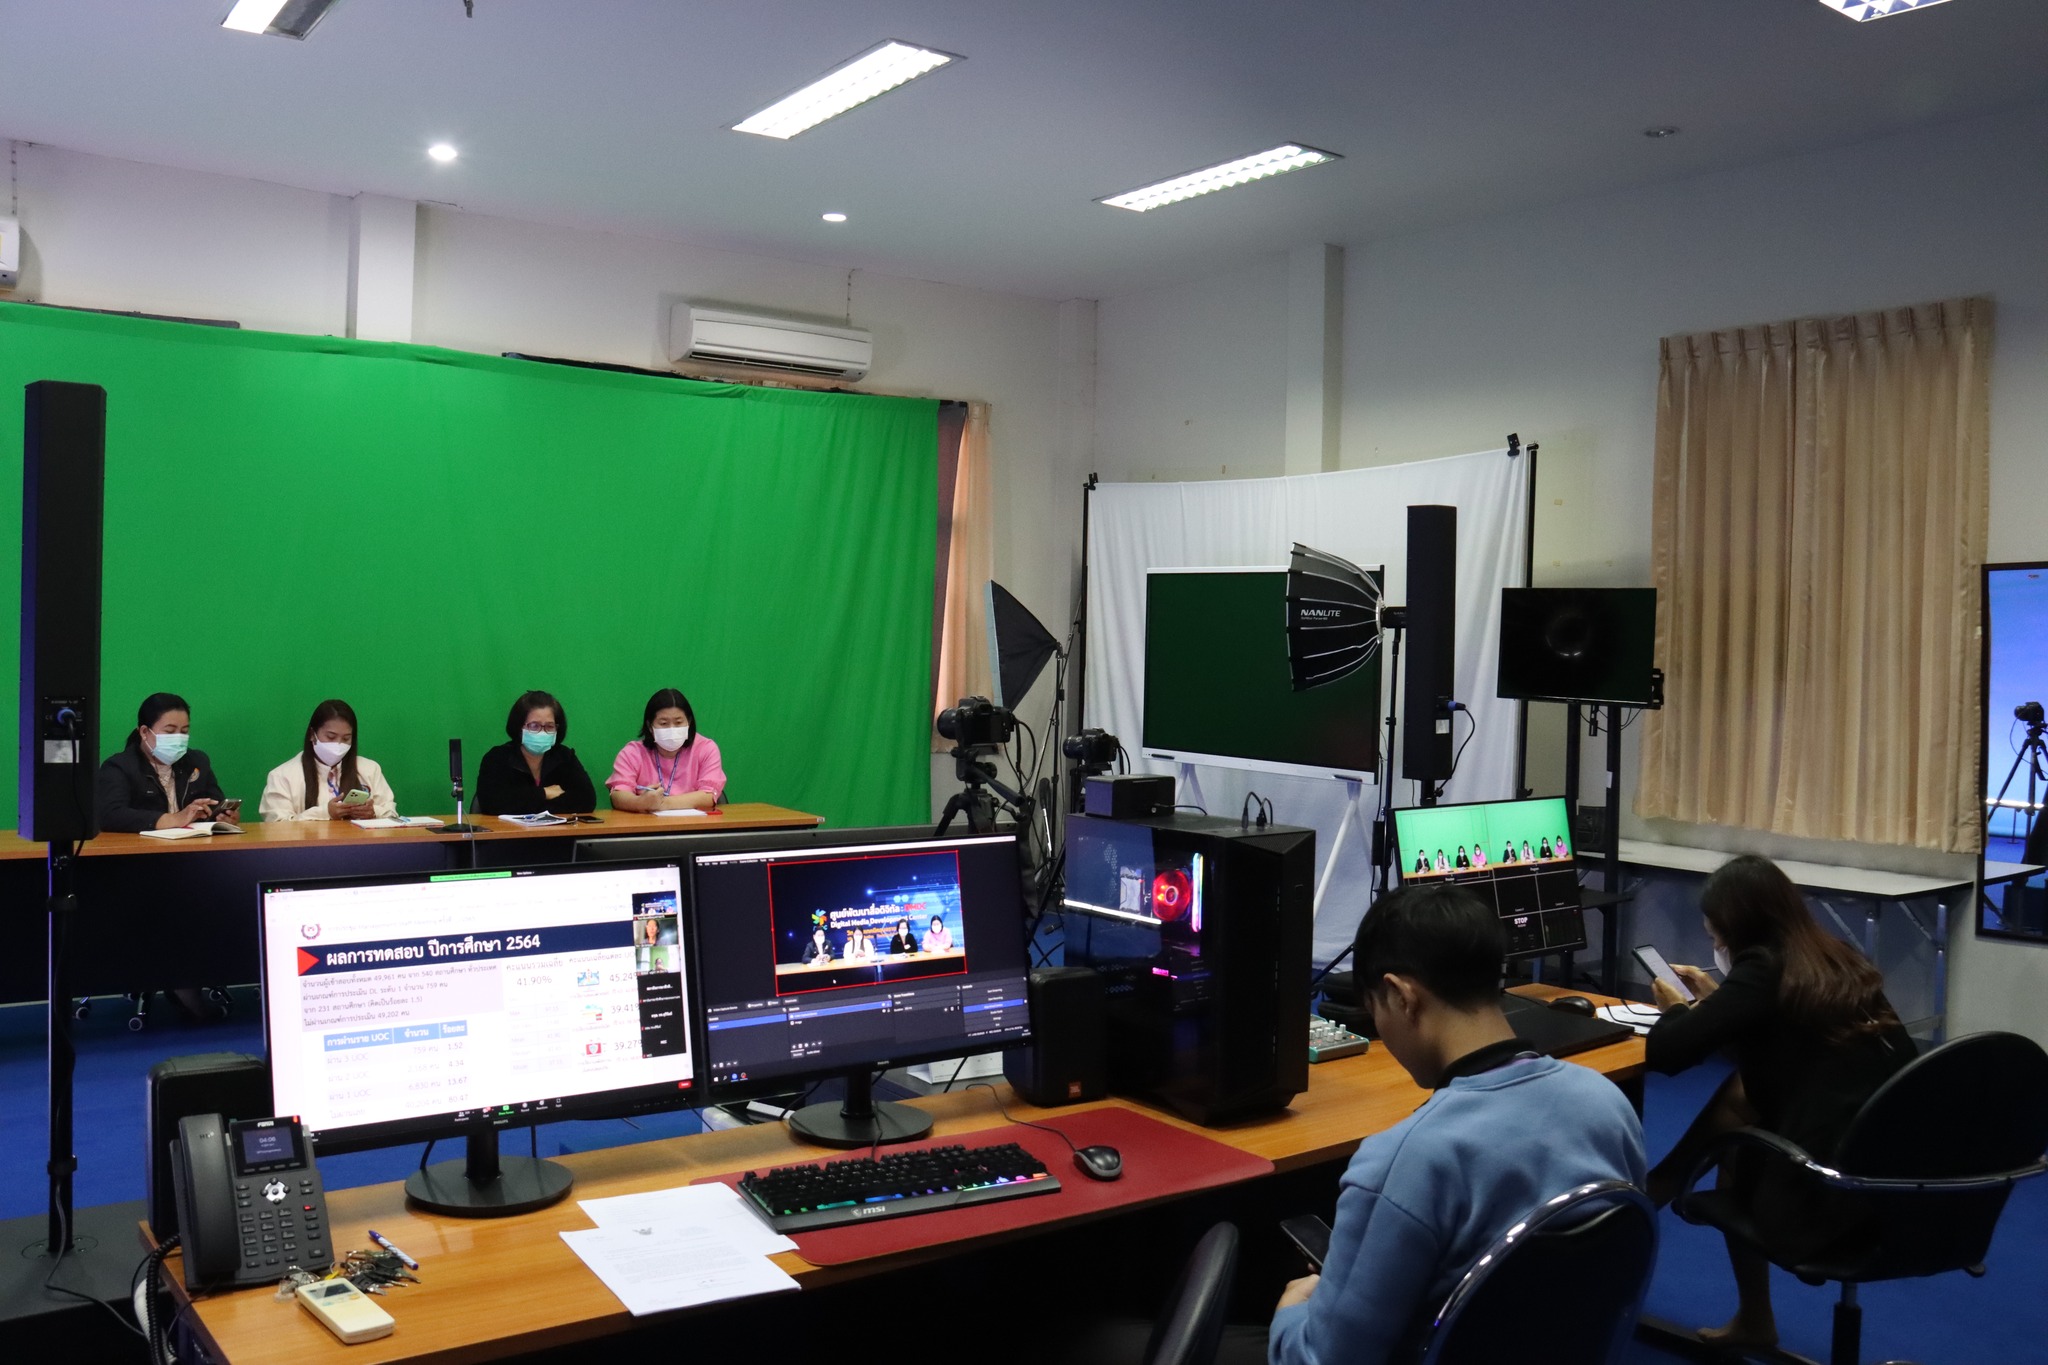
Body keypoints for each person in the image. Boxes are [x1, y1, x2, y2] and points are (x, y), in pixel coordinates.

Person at [1268, 883, 1647, 1365]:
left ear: (1400, 996)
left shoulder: (1400, 1162)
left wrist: (1290, 1314)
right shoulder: (1609, 1104)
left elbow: (1322, 1359)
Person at [1644, 855, 1914, 1351]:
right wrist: (1722, 1000)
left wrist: (1677, 1009)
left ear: (1736, 928)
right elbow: (1780, 1049)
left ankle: (1655, 1195)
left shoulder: (1763, 967)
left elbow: (1667, 1053)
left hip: (1830, 1191)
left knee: (1738, 1139)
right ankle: (1662, 1190)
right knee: (1743, 1093)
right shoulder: (1833, 957)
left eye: (1714, 934)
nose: (1714, 944)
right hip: (1902, 1173)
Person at [96, 692, 234, 832]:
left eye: (184, 732)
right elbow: (109, 815)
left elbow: (215, 805)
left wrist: (223, 817)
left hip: (193, 842)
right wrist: (174, 819)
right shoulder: (119, 767)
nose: (178, 738)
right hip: (143, 844)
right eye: (169, 731)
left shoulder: (197, 762)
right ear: (144, 732)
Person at [258, 699, 398, 822]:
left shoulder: (370, 770)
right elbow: (277, 826)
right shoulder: (282, 776)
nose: (338, 744)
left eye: (346, 739)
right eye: (331, 737)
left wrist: (373, 812)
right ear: (312, 734)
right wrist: (326, 813)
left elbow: (392, 815)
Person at [606, 687, 727, 813]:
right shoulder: (632, 753)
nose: (672, 729)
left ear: (689, 722)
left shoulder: (706, 749)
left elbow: (708, 796)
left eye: (678, 722)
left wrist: (662, 803)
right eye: (664, 723)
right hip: (647, 823)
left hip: (694, 823)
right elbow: (618, 795)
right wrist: (640, 802)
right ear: (650, 726)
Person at [475, 690, 597, 815]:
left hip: (555, 827)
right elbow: (492, 803)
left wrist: (528, 802)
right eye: (534, 726)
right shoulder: (497, 758)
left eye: (549, 726)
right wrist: (544, 793)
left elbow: (587, 800)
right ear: (519, 727)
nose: (542, 732)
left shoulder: (565, 757)